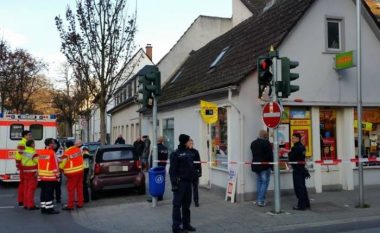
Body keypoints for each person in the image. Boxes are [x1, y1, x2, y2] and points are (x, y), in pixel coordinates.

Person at [169, 134, 196, 233]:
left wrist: (195, 175)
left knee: (186, 205)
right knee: (177, 205)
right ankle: (176, 227)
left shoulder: (189, 152)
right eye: (189, 141)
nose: (190, 142)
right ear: (185, 142)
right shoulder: (175, 154)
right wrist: (174, 184)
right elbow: (172, 171)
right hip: (180, 183)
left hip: (188, 183)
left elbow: (190, 167)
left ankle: (186, 224)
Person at [250, 130, 273, 207]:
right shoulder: (266, 143)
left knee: (259, 182)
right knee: (264, 182)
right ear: (265, 136)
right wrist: (272, 166)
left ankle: (259, 199)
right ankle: (261, 200)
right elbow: (270, 155)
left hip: (256, 165)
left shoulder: (253, 143)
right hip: (264, 166)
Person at [59, 139, 84, 210]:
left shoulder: (66, 153)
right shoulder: (78, 150)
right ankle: (80, 203)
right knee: (79, 188)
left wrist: (59, 168)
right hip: (80, 171)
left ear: (66, 146)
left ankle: (70, 205)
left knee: (71, 189)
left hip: (72, 173)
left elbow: (62, 164)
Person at [288, 133, 311, 211]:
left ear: (298, 139)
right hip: (302, 169)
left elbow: (291, 158)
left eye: (293, 138)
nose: (292, 139)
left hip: (297, 170)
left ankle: (301, 205)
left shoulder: (295, 148)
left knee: (298, 188)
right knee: (303, 188)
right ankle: (306, 203)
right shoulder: (303, 147)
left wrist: (289, 152)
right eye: (292, 138)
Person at [38, 138, 60, 214]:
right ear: (50, 144)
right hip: (50, 176)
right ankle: (49, 209)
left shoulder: (41, 152)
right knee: (49, 193)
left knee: (43, 192)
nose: (55, 144)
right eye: (53, 143)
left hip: (42, 176)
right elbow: (55, 166)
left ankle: (43, 208)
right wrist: (57, 176)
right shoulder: (51, 153)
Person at [147, 136, 169, 202]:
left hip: (155, 168)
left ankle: (154, 196)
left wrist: (150, 167)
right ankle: (160, 196)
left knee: (154, 182)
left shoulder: (155, 148)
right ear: (162, 141)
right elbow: (166, 158)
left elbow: (152, 158)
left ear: (157, 140)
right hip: (162, 167)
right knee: (161, 182)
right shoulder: (165, 148)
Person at [15, 130, 32, 207]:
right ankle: (22, 200)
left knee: (23, 183)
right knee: (23, 183)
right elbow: (19, 154)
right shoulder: (22, 143)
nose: (30, 136)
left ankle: (22, 200)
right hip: (23, 165)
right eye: (29, 135)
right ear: (25, 136)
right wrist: (19, 164)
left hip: (23, 165)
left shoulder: (24, 143)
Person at [21, 139, 39, 210]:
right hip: (32, 172)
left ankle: (25, 204)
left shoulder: (24, 152)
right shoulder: (33, 153)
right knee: (31, 189)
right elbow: (38, 161)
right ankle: (31, 205)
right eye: (34, 143)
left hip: (25, 171)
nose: (34, 145)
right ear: (31, 144)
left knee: (26, 188)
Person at [189, 139, 201, 207]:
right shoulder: (185, 152)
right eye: (190, 143)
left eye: (192, 143)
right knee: (188, 188)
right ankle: (187, 201)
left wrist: (200, 171)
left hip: (195, 172)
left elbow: (199, 162)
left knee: (195, 187)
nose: (191, 145)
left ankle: (196, 201)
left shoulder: (196, 152)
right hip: (187, 173)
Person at [53, 139, 62, 203]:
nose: (53, 145)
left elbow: (62, 159)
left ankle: (58, 198)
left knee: (58, 186)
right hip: (51, 171)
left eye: (54, 144)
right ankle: (51, 197)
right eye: (52, 144)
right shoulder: (49, 150)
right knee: (51, 186)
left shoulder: (60, 150)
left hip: (58, 171)